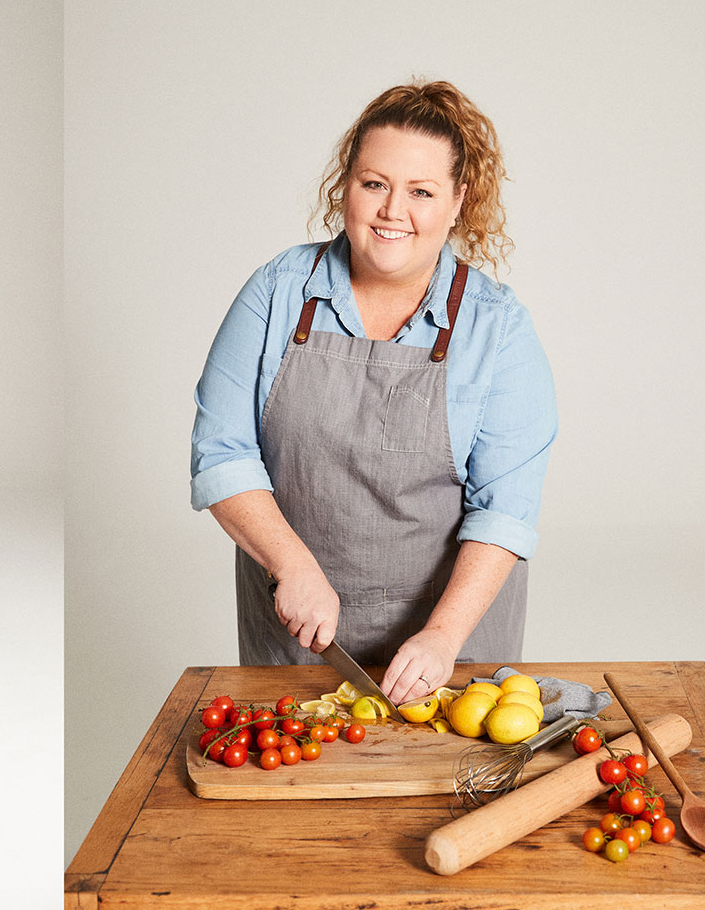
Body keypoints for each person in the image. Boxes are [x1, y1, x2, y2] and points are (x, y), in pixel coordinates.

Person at [190, 81, 556, 705]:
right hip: (299, 635)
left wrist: (441, 635)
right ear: (347, 185)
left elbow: (505, 508)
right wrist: (294, 567)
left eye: (421, 191)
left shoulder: (498, 327)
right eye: (374, 183)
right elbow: (221, 453)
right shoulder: (275, 293)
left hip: (451, 643)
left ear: (457, 201)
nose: (393, 210)